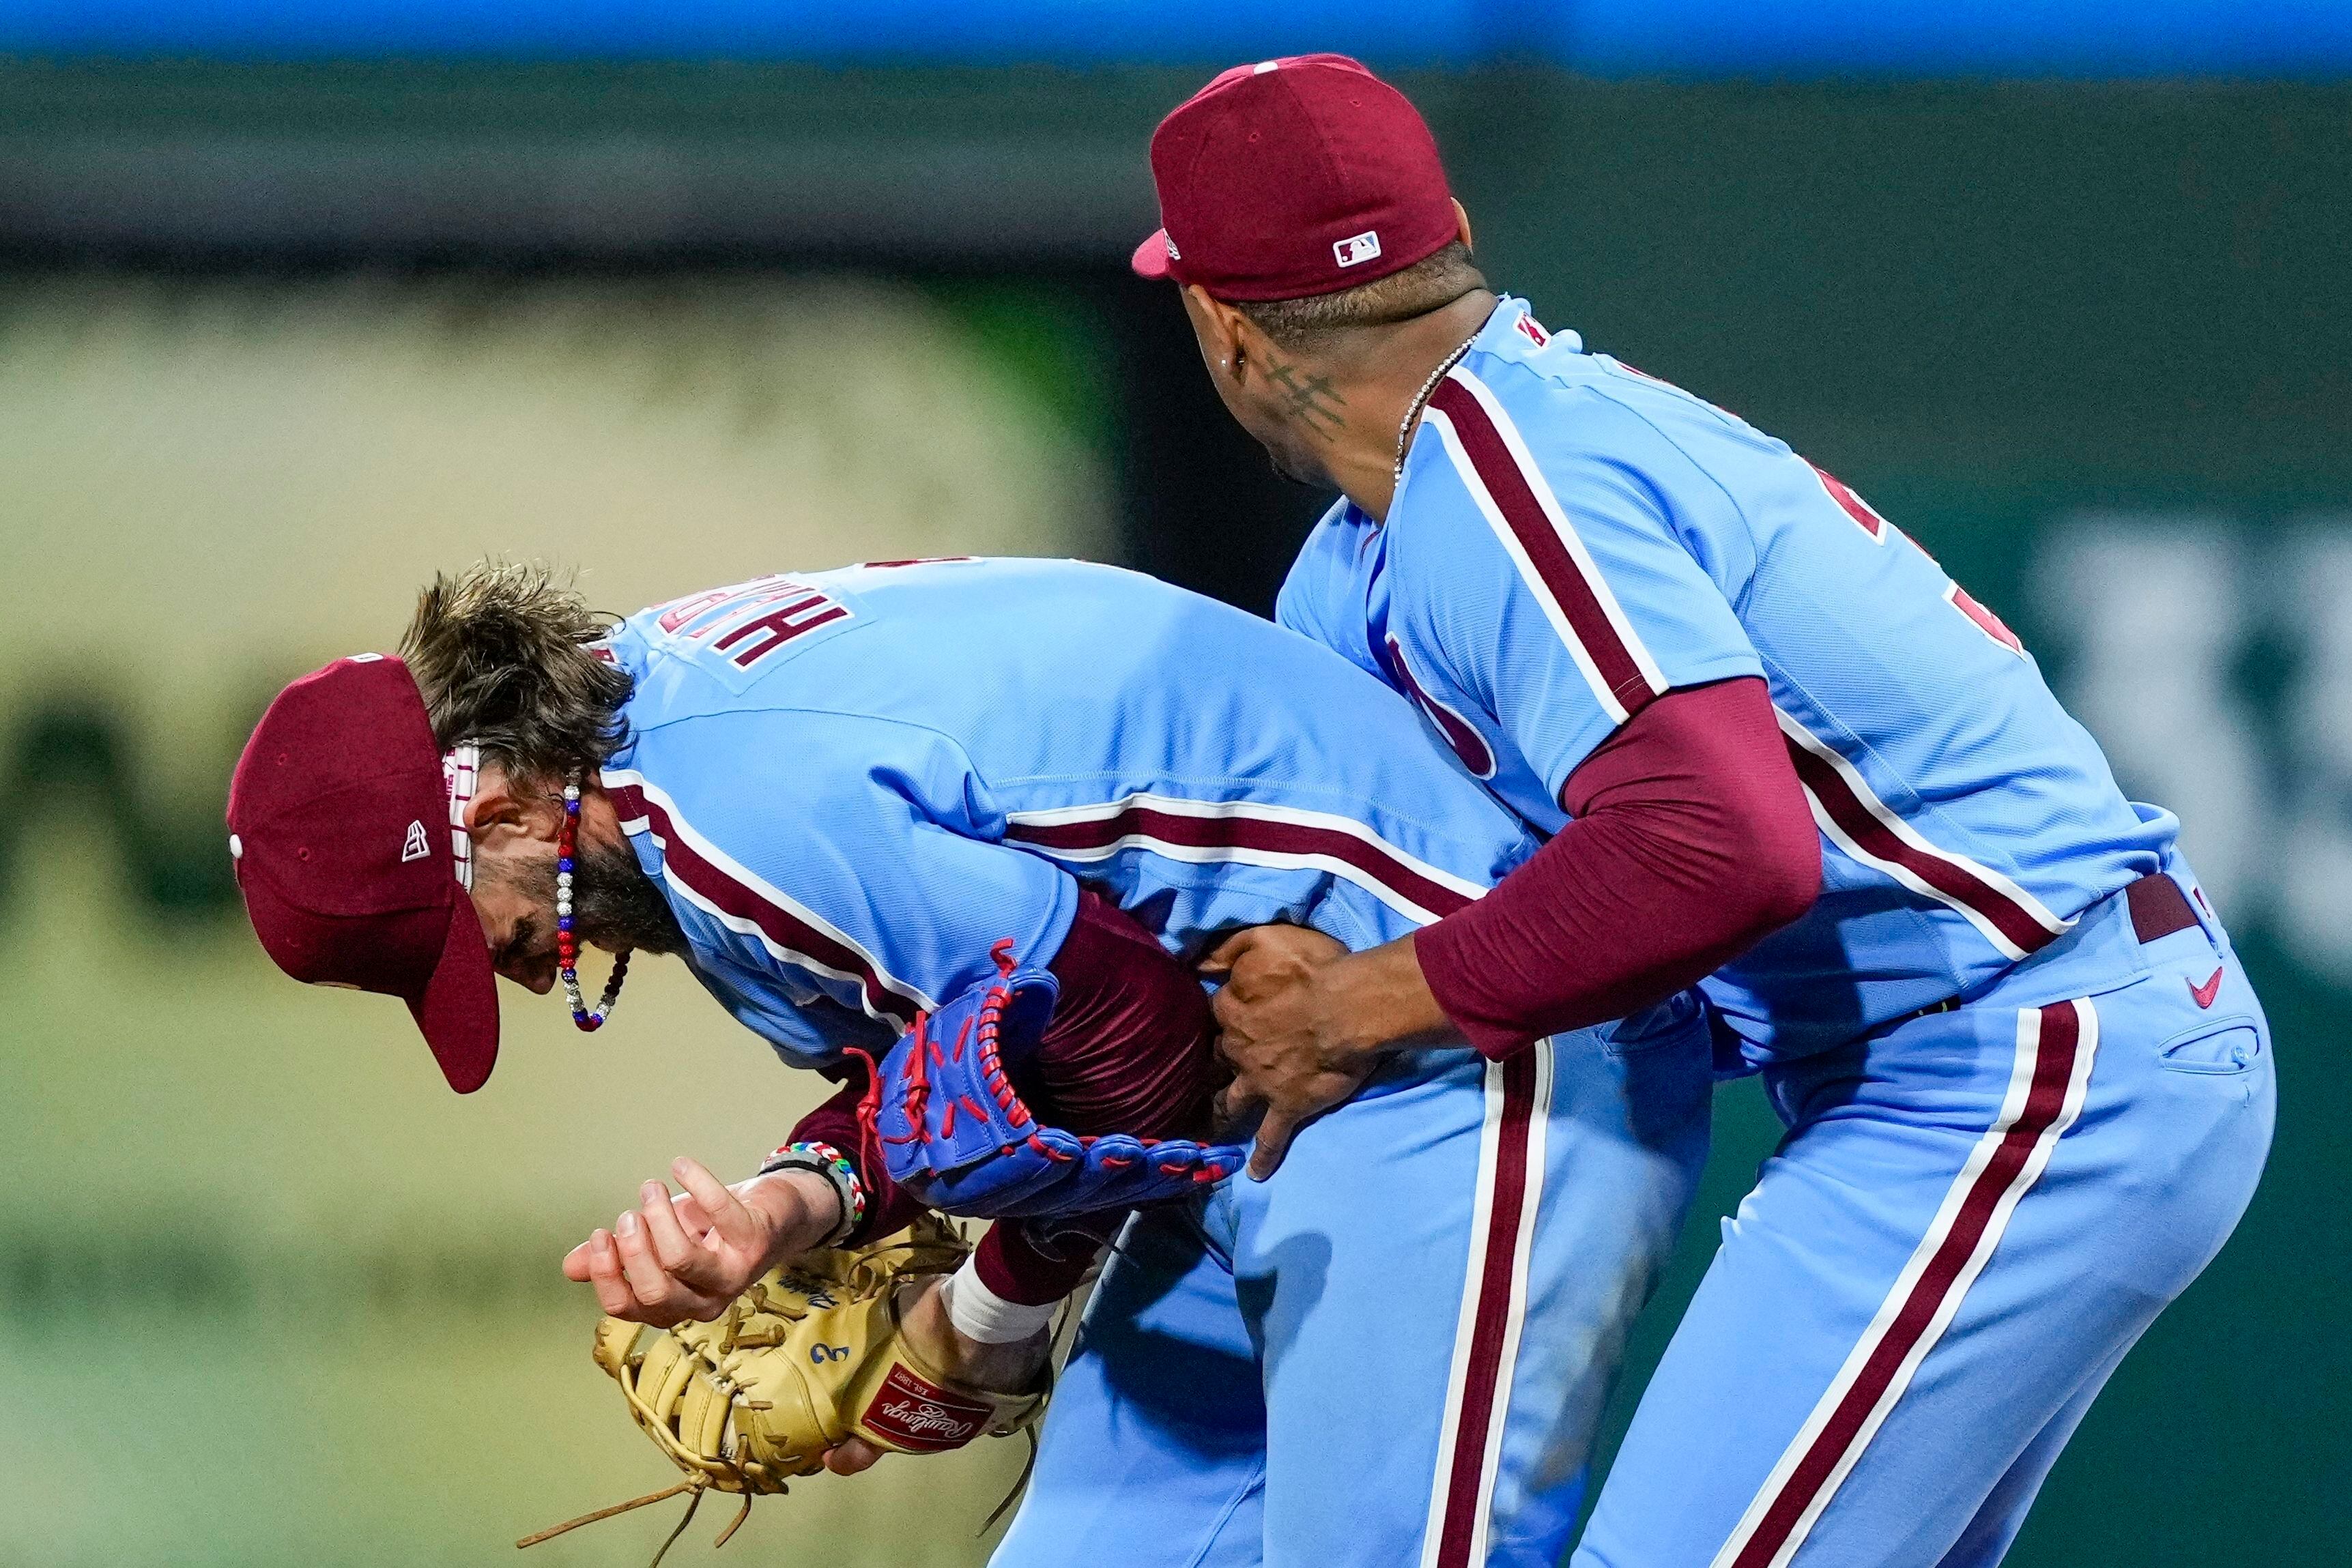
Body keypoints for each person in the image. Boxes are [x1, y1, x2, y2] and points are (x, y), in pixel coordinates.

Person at [1132, 55, 2278, 1568]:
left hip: (2032, 1045)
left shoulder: (1509, 473)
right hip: (1980, 1056)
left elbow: (1718, 842)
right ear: (1455, 229)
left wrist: (1355, 1009)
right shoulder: (1374, 552)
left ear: (1217, 321)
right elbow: (1389, 904)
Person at [223, 557, 1712, 1567]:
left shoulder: (739, 817)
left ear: (496, 820)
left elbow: (1128, 1052)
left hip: (1448, 1036)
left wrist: (977, 1319)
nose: (493, 965)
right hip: (1273, 1076)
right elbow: (1019, 1031)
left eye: (452, 932)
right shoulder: (646, 740)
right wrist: (788, 1210)